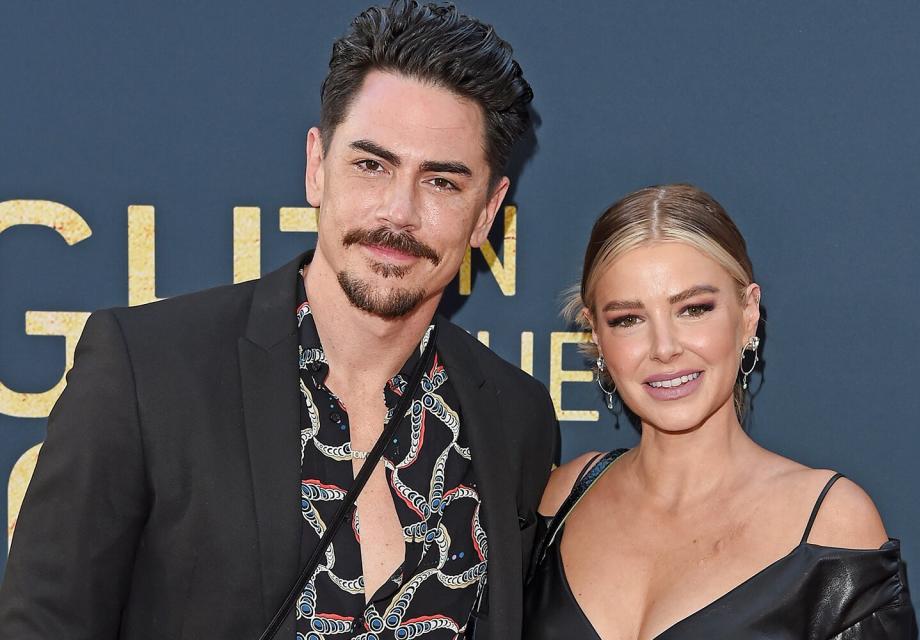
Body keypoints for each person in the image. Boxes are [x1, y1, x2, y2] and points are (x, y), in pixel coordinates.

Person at [0, 2, 557, 638]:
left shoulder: (515, 418)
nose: (398, 212)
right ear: (317, 165)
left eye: (442, 182)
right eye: (371, 165)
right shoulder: (145, 371)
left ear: (487, 212)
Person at [523, 184, 917, 639]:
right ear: (596, 334)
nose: (665, 349)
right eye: (628, 319)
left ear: (748, 313)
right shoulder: (564, 497)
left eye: (693, 309)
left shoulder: (829, 523)